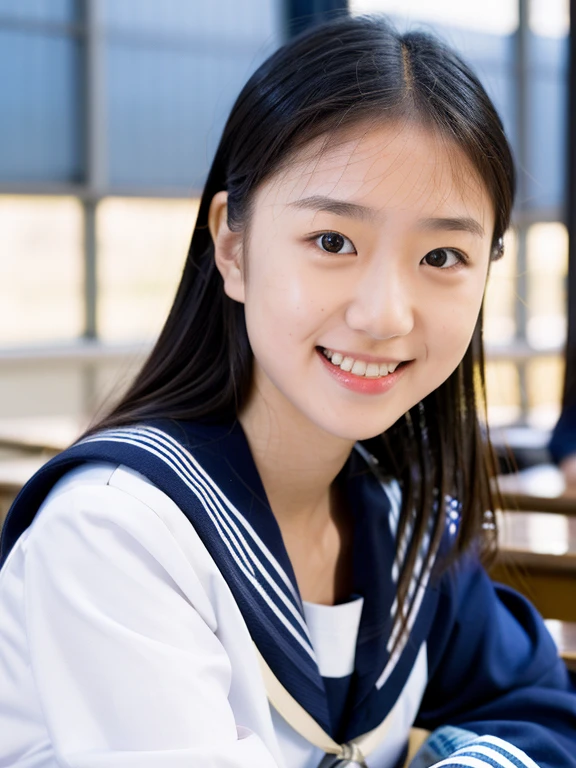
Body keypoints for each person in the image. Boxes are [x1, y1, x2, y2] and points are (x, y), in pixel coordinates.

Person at [0, 14, 574, 768]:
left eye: (442, 254)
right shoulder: (115, 534)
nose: (384, 315)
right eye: (333, 242)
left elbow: (539, 714)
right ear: (232, 246)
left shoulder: (402, 517)